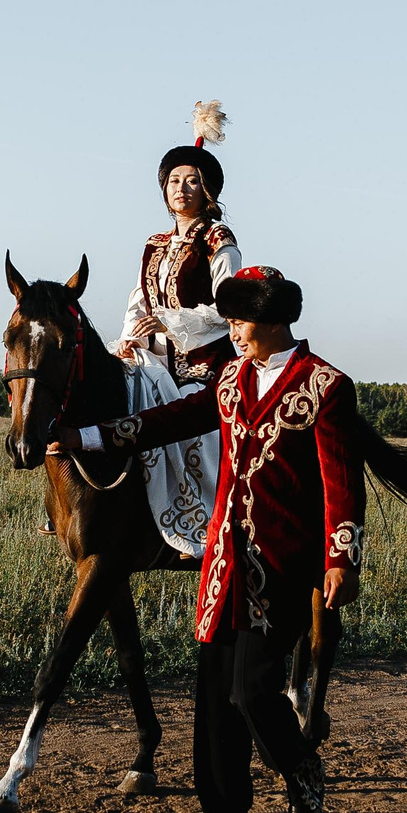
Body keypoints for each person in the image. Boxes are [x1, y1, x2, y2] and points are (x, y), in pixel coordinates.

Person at [68, 265, 355, 813]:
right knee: (215, 703)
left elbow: (340, 481)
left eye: (239, 321)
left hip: (281, 564)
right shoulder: (229, 380)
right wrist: (89, 438)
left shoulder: (326, 386)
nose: (232, 332)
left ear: (270, 320)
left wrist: (340, 558)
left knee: (251, 690)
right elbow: (169, 421)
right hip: (224, 561)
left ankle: (301, 768)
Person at [104, 101, 242, 555]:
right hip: (152, 356)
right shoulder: (154, 243)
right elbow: (139, 299)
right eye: (174, 181)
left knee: (187, 418)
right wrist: (129, 338)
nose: (182, 188)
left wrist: (168, 319)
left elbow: (228, 306)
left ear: (209, 191)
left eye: (193, 181)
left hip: (202, 360)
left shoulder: (219, 241)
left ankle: (201, 522)